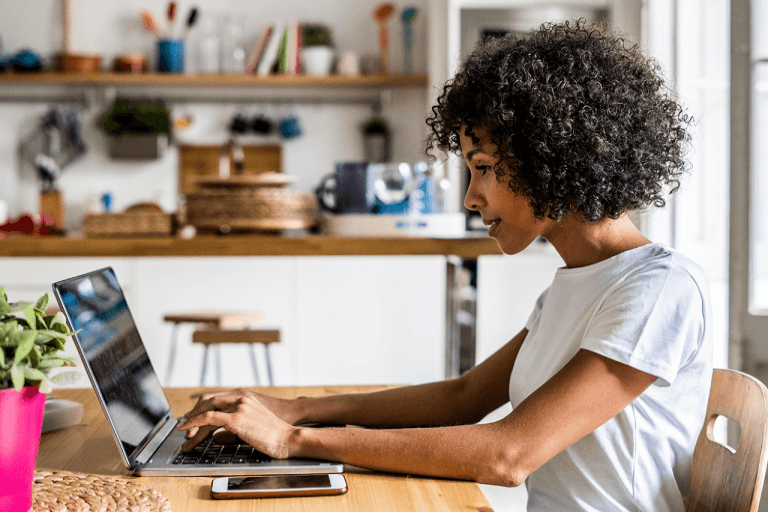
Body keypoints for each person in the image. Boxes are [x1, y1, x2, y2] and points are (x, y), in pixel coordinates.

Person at [178, 20, 712, 511]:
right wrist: (294, 409)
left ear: (550, 158)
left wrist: (293, 441)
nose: (471, 197)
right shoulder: (572, 287)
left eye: (482, 169)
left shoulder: (659, 290)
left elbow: (509, 455)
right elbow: (464, 397)